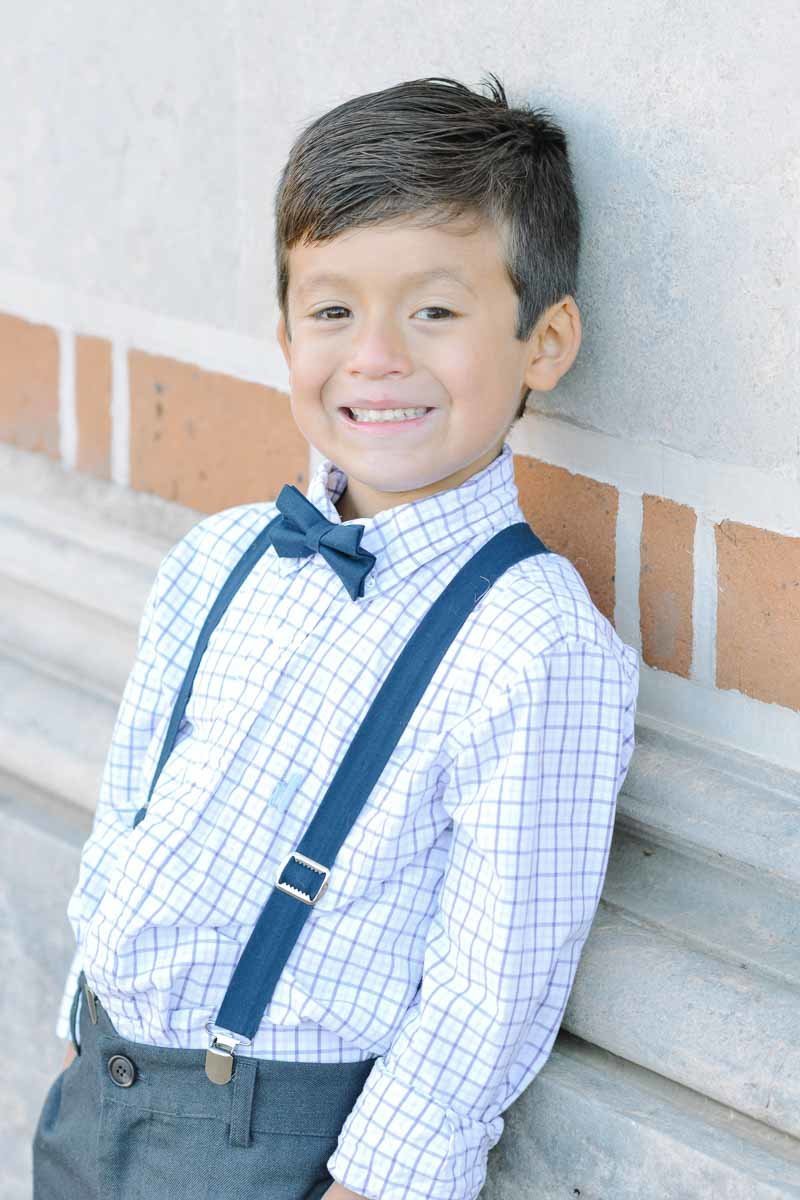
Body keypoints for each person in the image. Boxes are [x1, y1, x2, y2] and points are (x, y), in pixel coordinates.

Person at [33, 73, 640, 1200]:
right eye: (331, 311)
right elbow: (130, 808)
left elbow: (490, 984)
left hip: (275, 1145)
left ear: (543, 341)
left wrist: (380, 1185)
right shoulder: (223, 557)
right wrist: (82, 1011)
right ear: (283, 333)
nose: (374, 356)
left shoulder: (531, 643)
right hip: (97, 1096)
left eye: (435, 311)